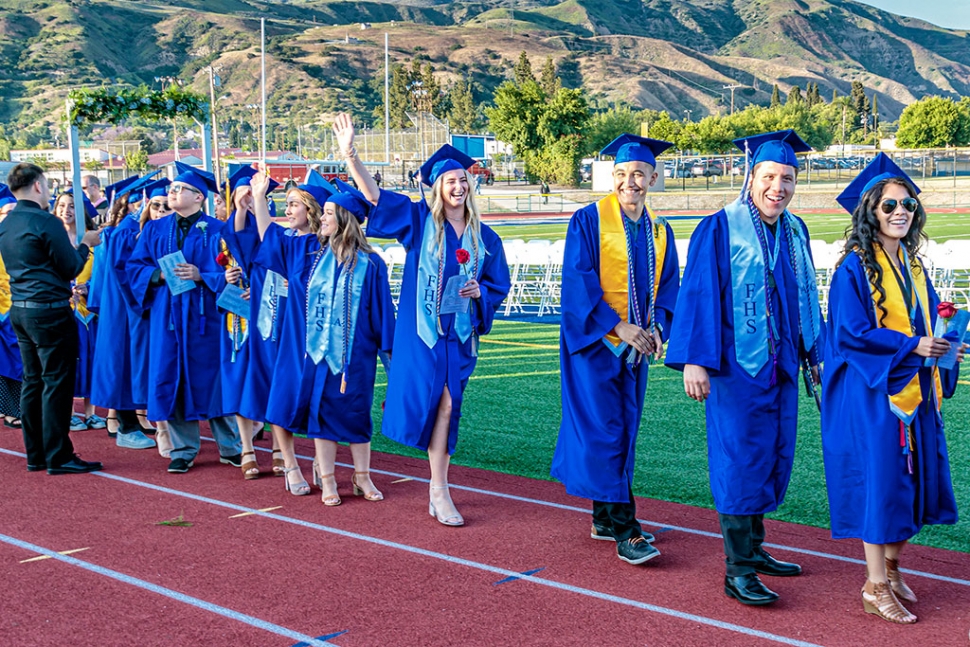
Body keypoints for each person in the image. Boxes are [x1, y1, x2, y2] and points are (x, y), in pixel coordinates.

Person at [665, 130, 824, 606]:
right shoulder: (721, 226)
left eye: (788, 179)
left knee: (772, 454)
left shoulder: (795, 230)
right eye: (770, 177)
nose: (779, 187)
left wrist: (814, 353)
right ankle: (737, 571)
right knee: (738, 460)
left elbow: (805, 299)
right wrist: (695, 359)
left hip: (782, 367)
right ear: (751, 176)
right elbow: (697, 294)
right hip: (736, 368)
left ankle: (754, 551)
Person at [333, 113, 511, 526]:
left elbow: (496, 284)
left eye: (463, 180)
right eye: (451, 181)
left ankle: (438, 487)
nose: (459, 186)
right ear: (437, 187)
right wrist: (351, 155)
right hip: (423, 333)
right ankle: (439, 489)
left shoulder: (485, 236)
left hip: (460, 335)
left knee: (449, 406)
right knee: (435, 404)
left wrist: (480, 292)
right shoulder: (418, 222)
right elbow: (375, 196)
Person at [822, 153, 963, 625]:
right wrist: (913, 346)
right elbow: (851, 335)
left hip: (915, 392)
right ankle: (874, 585)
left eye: (907, 205)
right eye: (889, 206)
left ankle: (895, 569)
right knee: (882, 484)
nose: (900, 212)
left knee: (912, 483)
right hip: (873, 395)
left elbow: (923, 328)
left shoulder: (912, 263)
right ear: (869, 212)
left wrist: (944, 349)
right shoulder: (853, 269)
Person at [551, 134, 680, 565]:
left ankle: (604, 517)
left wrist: (659, 325)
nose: (631, 182)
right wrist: (618, 326)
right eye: (623, 174)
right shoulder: (588, 221)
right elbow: (579, 281)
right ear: (613, 177)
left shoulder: (661, 229)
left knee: (623, 431)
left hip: (637, 348)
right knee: (606, 431)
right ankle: (627, 530)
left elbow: (669, 287)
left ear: (653, 178)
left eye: (640, 174)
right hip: (595, 346)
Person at [251, 169, 395, 505]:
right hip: (314, 354)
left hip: (355, 356)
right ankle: (328, 480)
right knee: (321, 415)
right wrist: (259, 199)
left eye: (328, 213)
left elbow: (383, 316)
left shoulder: (371, 264)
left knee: (358, 414)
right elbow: (269, 239)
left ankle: (362, 477)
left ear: (344, 219)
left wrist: (390, 363)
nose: (322, 219)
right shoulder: (306, 254)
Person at [127, 163, 242, 474]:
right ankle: (183, 449)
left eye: (180, 189)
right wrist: (156, 275)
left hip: (206, 318)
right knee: (172, 378)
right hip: (169, 317)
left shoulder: (218, 230)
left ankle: (231, 447)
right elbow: (134, 267)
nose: (172, 193)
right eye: (172, 189)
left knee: (215, 380)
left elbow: (235, 273)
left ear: (198, 197)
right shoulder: (154, 229)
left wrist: (202, 275)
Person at [0, 162, 103, 474]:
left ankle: (36, 453)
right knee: (56, 383)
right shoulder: (45, 221)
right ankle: (58, 455)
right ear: (37, 186)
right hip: (50, 311)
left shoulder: (6, 223)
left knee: (32, 381)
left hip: (20, 309)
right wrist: (86, 245)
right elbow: (70, 266)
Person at [245, 171, 329, 495]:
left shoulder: (328, 247)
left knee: (325, 400)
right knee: (282, 395)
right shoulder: (292, 246)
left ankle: (322, 463)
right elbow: (268, 234)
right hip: (292, 332)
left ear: (312, 209)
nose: (288, 210)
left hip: (324, 335)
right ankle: (291, 464)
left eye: (294, 204)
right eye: (286, 204)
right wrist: (259, 197)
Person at [91, 175, 167, 452]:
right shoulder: (127, 231)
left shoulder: (148, 230)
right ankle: (126, 426)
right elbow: (126, 273)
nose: (161, 211)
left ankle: (142, 423)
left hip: (137, 306)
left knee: (137, 365)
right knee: (122, 364)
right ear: (145, 204)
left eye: (165, 206)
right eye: (156, 205)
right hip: (127, 309)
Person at [214, 165, 281, 479]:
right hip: (236, 322)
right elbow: (235, 236)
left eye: (254, 196)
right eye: (241, 196)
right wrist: (223, 277)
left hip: (269, 315)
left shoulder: (276, 233)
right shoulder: (222, 233)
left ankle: (280, 448)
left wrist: (263, 286)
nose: (248, 201)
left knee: (272, 379)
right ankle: (247, 449)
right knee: (240, 379)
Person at [51, 191, 111, 434]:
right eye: (62, 205)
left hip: (89, 309)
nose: (66, 210)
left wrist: (90, 288)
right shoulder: (52, 238)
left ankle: (90, 412)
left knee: (90, 359)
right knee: (69, 362)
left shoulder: (94, 241)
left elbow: (102, 273)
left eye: (72, 206)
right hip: (64, 309)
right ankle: (69, 413)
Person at [0, 185, 23, 429]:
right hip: (1, 310)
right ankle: (9, 411)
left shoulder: (23, 240)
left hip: (20, 308)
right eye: (7, 212)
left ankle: (19, 408)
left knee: (21, 363)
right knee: (4, 363)